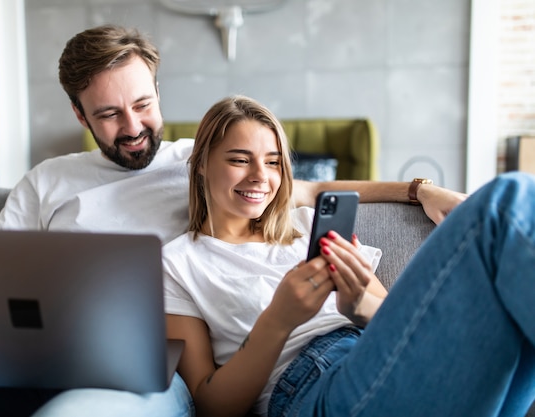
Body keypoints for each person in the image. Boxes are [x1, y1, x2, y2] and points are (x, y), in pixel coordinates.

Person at [0, 25, 465, 417]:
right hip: (53, 358)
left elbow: (304, 187)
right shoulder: (47, 183)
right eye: (107, 114)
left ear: (157, 92)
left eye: (143, 105)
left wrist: (421, 190)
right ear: (80, 115)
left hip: (157, 374)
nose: (132, 127)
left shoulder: (199, 159)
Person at [163, 95, 535, 417]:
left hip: (376, 355)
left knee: (519, 205)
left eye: (274, 162)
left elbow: (399, 327)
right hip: (314, 387)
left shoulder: (309, 226)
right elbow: (210, 405)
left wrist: (359, 307)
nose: (261, 176)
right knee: (506, 199)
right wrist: (278, 320)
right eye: (240, 160)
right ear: (200, 164)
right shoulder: (178, 263)